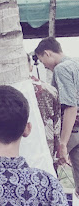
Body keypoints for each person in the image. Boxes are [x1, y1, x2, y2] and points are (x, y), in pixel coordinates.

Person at [35, 37, 79, 192]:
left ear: (47, 53)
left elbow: (71, 106)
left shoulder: (61, 69)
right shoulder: (76, 64)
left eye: (42, 61)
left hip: (74, 131)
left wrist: (63, 143)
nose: (44, 66)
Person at [28, 53, 60, 162]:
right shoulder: (50, 90)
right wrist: (59, 148)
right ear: (30, 67)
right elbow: (57, 123)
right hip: (46, 146)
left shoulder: (3, 93)